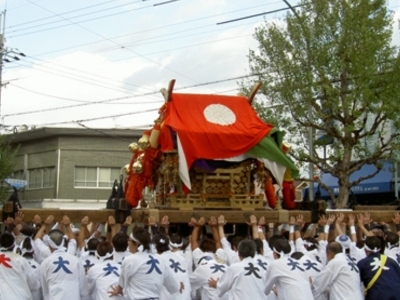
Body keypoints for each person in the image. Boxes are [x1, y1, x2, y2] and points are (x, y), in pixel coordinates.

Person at [109, 227, 179, 299]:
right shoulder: (161, 260)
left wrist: (118, 290)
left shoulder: (129, 260)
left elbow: (122, 283)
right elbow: (174, 287)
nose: (127, 242)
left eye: (129, 240)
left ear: (136, 243)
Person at [40, 227, 89, 300]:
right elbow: (83, 287)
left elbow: (45, 290)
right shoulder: (75, 260)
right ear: (63, 242)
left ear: (49, 244)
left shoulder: (45, 262)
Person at [0, 232, 40, 300]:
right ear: (13, 245)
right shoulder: (21, 260)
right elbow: (32, 282)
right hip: (20, 296)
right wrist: (37, 286)